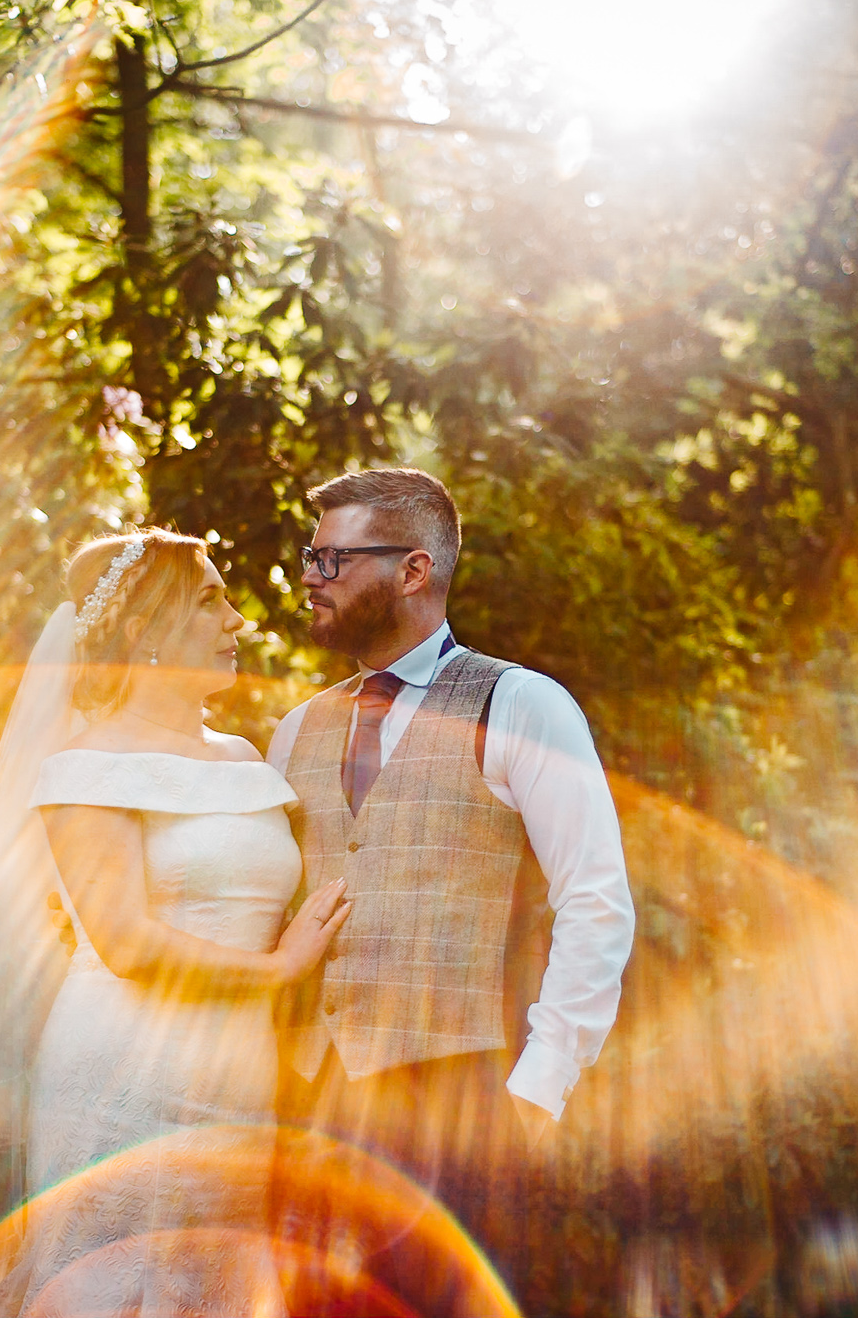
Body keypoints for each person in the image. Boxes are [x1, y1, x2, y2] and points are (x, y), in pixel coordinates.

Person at [0, 527, 350, 1317]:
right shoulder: (86, 765)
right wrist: (278, 970)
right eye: (209, 599)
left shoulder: (248, 761)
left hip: (239, 1077)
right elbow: (125, 939)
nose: (237, 620)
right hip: (123, 1078)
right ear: (141, 632)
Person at [267, 468, 637, 1316]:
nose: (309, 578)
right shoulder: (297, 728)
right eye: (309, 556)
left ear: (413, 569)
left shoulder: (522, 704)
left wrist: (540, 1086)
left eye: (332, 559)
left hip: (452, 1106)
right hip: (306, 1102)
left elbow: (595, 898)